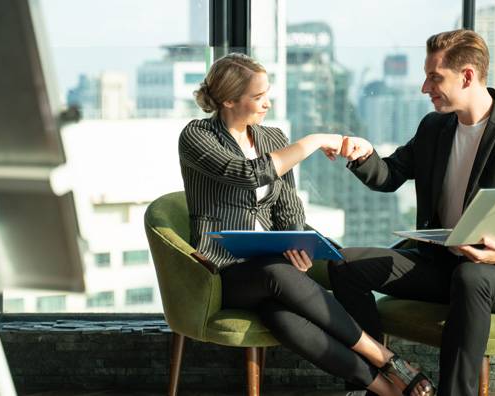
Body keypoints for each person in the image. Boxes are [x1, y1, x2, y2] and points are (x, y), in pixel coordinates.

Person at [329, 29, 495, 396]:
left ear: (468, 75)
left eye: (434, 77)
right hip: (437, 263)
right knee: (344, 265)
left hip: (493, 272)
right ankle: (376, 381)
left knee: (471, 277)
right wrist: (363, 155)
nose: (425, 88)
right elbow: (390, 175)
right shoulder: (434, 127)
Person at [178, 53, 435, 396]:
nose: (267, 103)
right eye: (258, 97)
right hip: (222, 271)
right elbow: (250, 175)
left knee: (283, 317)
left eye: (267, 93)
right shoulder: (196, 136)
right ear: (228, 99)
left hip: (270, 271)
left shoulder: (271, 138)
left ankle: (383, 390)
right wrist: (315, 141)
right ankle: (386, 358)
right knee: (276, 273)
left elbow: (288, 209)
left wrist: (297, 242)